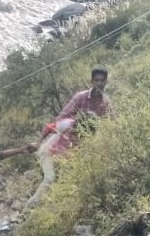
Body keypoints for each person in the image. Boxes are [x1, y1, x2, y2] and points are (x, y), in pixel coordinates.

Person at [29, 66, 114, 204]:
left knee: (67, 179)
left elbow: (111, 124)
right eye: (96, 80)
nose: (99, 83)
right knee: (50, 178)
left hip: (77, 146)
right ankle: (31, 206)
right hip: (59, 143)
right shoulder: (80, 99)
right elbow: (56, 122)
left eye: (102, 80)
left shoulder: (106, 103)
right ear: (92, 81)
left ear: (106, 81)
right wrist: (38, 142)